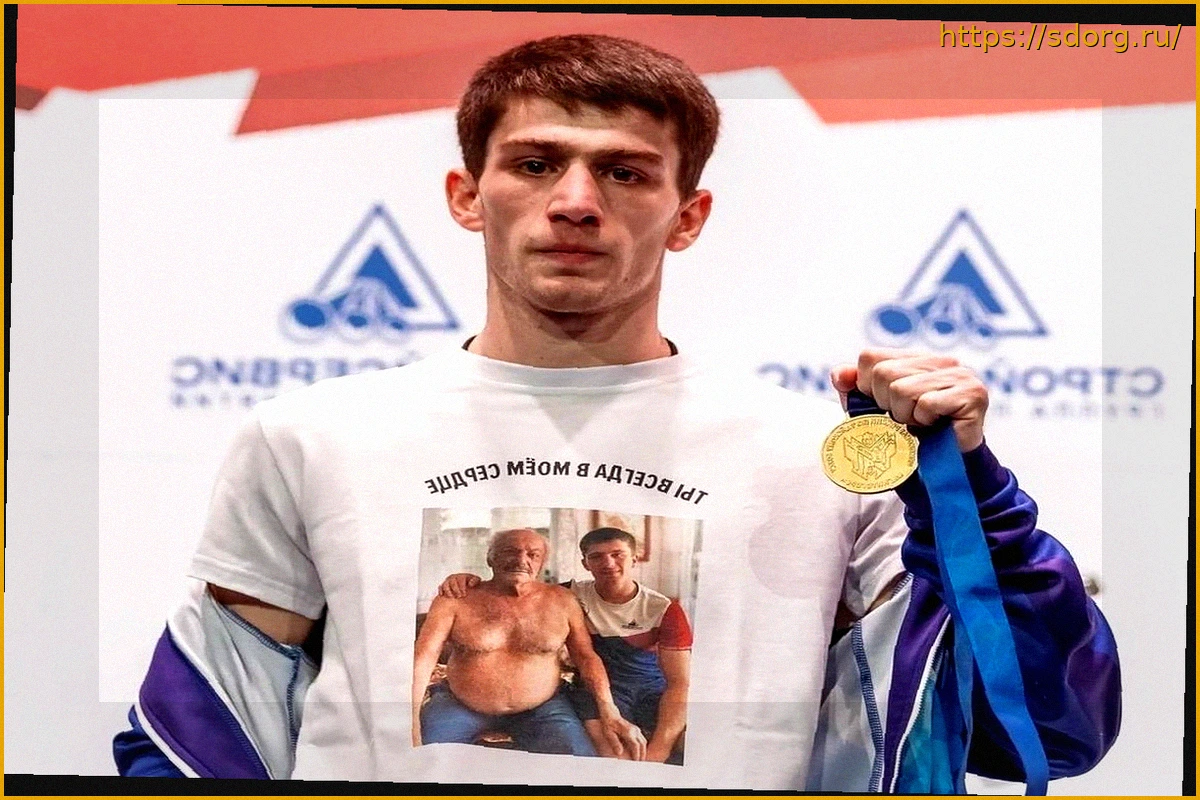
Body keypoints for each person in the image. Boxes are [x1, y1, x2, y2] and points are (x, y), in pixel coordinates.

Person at [114, 33, 1119, 789]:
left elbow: (1046, 730)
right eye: (535, 163)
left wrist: (972, 493)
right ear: (468, 196)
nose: (576, 200)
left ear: (688, 215)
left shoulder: (818, 454)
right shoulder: (310, 435)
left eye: (625, 172)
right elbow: (206, 733)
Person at [439, 526, 693, 764]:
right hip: (596, 690)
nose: (608, 563)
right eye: (597, 557)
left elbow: (680, 683)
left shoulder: (664, 609)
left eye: (618, 555)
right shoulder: (567, 595)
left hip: (650, 686)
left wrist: (660, 750)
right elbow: (519, 586)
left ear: (634, 558)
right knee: (616, 759)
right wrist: (464, 579)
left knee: (693, 744)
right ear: (585, 563)